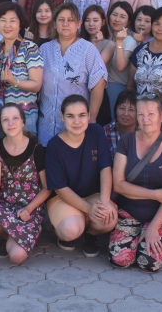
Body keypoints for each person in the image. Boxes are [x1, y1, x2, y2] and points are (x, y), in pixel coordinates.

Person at [109, 94, 162, 272]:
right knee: (120, 260)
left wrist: (153, 227)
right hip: (130, 209)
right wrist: (155, 194)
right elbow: (118, 184)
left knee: (149, 263)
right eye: (141, 114)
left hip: (161, 214)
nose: (145, 119)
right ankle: (136, 238)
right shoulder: (126, 141)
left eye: (151, 114)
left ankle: (152, 235)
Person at [46, 95, 117, 257]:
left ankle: (89, 234)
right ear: (62, 117)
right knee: (70, 230)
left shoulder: (96, 132)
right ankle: (69, 231)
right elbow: (60, 188)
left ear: (89, 115)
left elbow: (105, 169)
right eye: (70, 116)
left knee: (109, 218)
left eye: (82, 115)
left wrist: (104, 203)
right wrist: (88, 209)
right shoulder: (54, 145)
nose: (76, 121)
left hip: (93, 195)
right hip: (64, 199)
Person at [0, 104, 50, 264]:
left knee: (16, 257)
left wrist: (29, 208)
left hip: (29, 210)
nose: (10, 123)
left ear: (23, 122)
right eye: (5, 120)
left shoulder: (36, 149)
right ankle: (11, 235)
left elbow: (47, 188)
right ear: (0, 124)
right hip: (3, 207)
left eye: (15, 118)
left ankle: (16, 236)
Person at [38, 3, 108, 146]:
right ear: (54, 23)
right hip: (46, 123)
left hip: (76, 126)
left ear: (78, 24)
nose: (65, 24)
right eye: (61, 20)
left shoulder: (88, 49)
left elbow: (99, 82)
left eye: (70, 20)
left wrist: (91, 118)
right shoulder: (44, 49)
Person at [0, 2, 43, 139]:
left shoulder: (30, 48)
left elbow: (36, 85)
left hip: (23, 115)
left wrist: (13, 81)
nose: (7, 25)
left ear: (20, 24)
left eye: (12, 20)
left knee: (24, 151)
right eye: (3, 20)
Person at [128, 7, 162, 98]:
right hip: (138, 104)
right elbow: (130, 86)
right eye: (157, 24)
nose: (160, 29)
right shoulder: (140, 50)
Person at [105, 1, 137, 114]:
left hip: (118, 87)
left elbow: (120, 66)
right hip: (102, 87)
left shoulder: (129, 41)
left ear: (128, 21)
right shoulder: (106, 38)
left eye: (122, 17)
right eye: (114, 15)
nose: (117, 19)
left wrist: (119, 42)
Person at [103, 89, 138, 159]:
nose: (125, 114)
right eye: (122, 108)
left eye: (131, 110)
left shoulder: (143, 132)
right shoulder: (106, 131)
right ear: (116, 109)